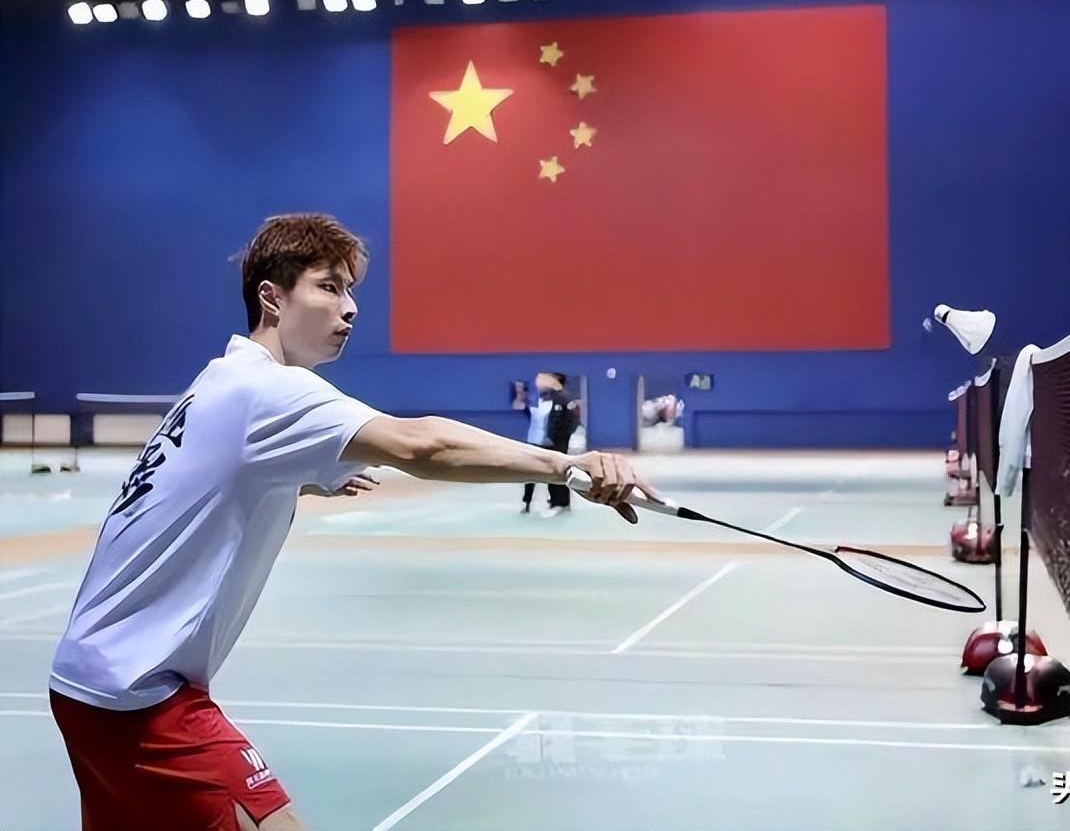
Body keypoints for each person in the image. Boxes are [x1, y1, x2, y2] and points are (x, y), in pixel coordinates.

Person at [48, 214, 651, 831]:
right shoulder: (269, 390)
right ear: (272, 297)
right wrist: (568, 466)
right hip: (141, 697)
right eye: (329, 287)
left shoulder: (217, 381)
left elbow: (210, 476)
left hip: (83, 681)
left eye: (350, 290)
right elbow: (422, 445)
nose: (351, 307)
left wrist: (300, 478)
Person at [520, 372, 579, 517]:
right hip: (534, 443)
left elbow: (571, 423)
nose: (539, 382)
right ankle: (527, 503)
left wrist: (560, 440)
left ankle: (560, 503)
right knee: (530, 474)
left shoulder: (563, 401)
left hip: (554, 444)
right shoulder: (540, 400)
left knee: (556, 473)